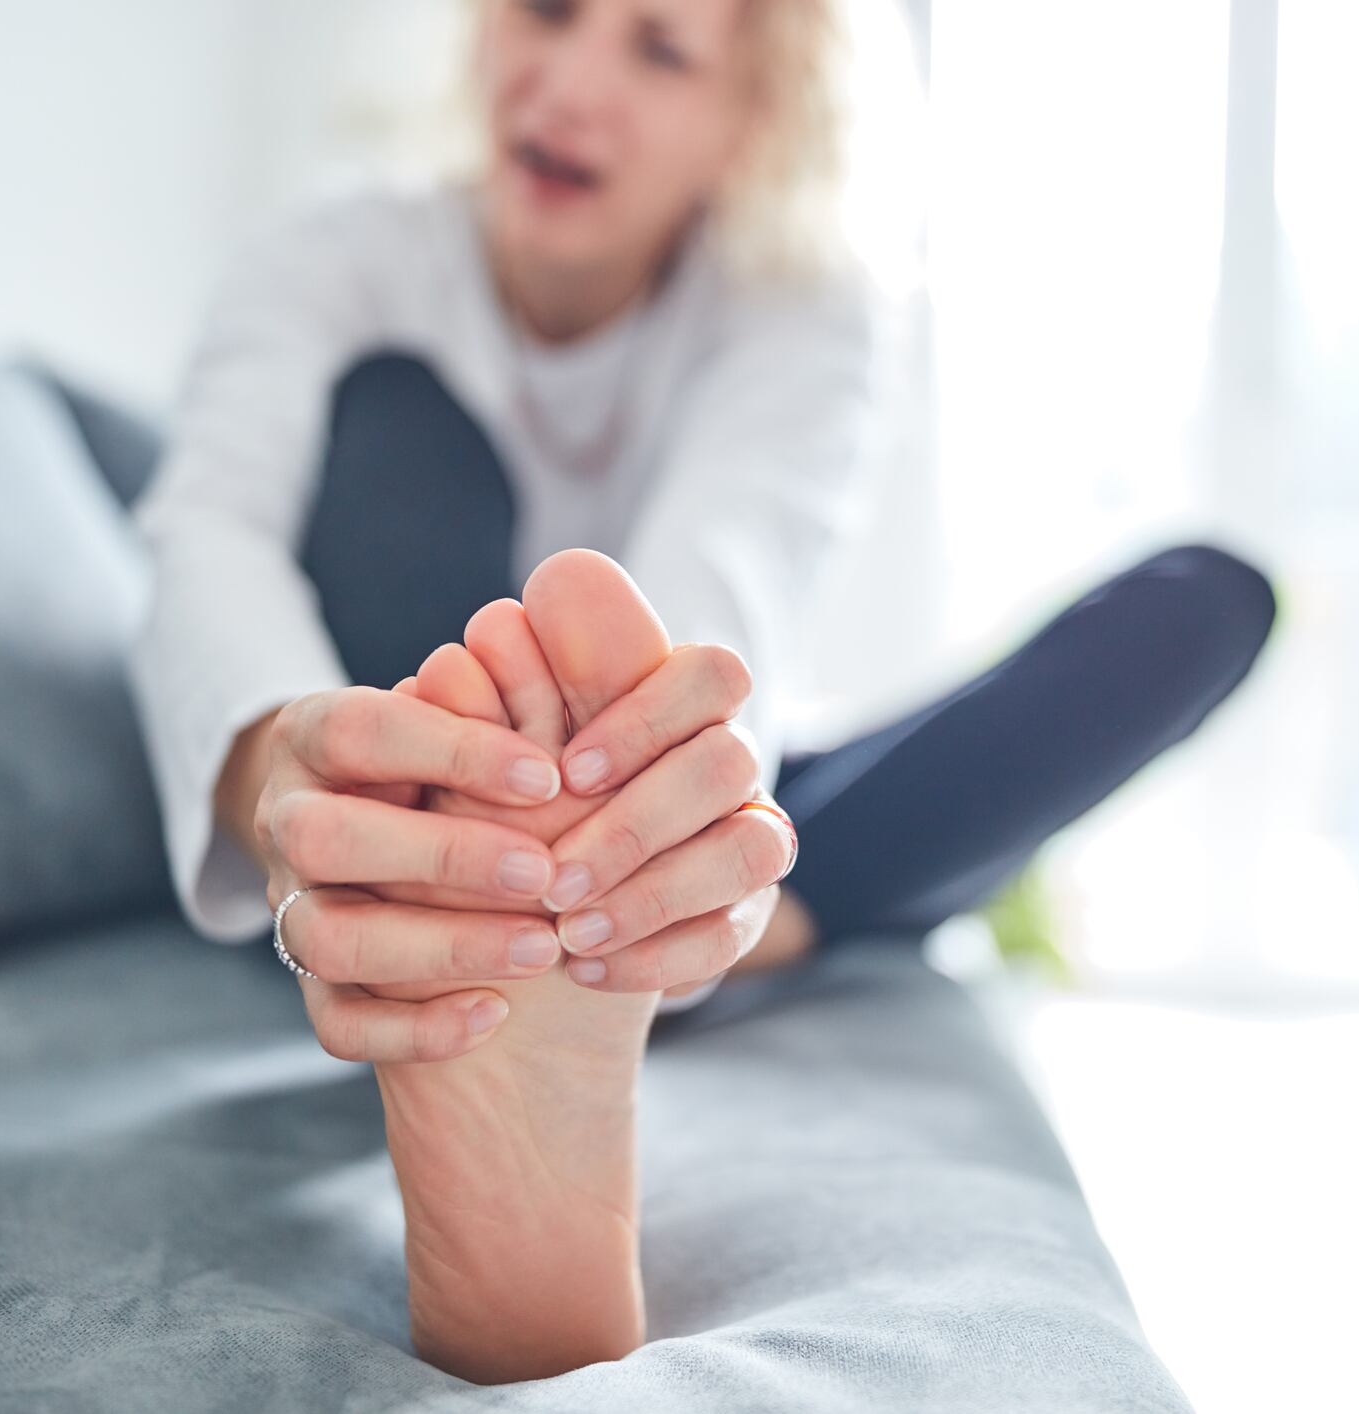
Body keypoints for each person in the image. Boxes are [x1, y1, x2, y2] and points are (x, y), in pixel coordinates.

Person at [127, 0, 1277, 1386]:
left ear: (753, 123)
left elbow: (715, 599)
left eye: (659, 49)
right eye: (547, 11)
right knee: (398, 417)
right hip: (390, 804)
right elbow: (206, 537)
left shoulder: (803, 310)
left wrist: (658, 833)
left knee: (1200, 602)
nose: (570, 83)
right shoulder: (334, 255)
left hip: (677, 788)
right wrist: (286, 774)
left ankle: (651, 933)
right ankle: (527, 925)